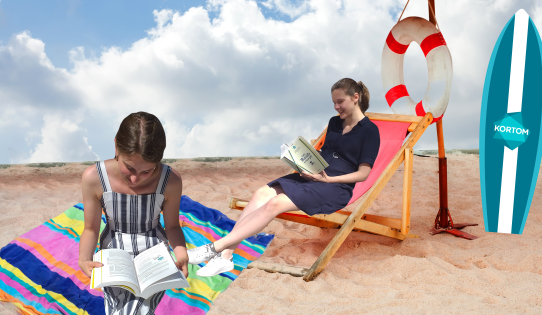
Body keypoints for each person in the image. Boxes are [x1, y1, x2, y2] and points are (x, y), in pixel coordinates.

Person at [188, 78, 380, 277]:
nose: (336, 107)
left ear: (355, 97)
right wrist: (300, 161)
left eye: (340, 102)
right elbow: (323, 154)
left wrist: (327, 180)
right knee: (262, 193)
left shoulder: (370, 131)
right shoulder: (334, 123)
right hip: (312, 177)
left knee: (275, 204)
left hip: (334, 188)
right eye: (333, 102)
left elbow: (363, 174)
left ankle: (213, 249)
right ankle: (225, 257)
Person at [78, 112, 188, 315]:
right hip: (113, 250)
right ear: (116, 148)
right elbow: (91, 228)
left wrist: (181, 254)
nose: (136, 179)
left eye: (147, 171)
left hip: (154, 251)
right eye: (129, 168)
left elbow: (172, 226)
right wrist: (84, 258)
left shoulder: (170, 180)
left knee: (141, 308)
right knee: (119, 308)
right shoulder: (94, 177)